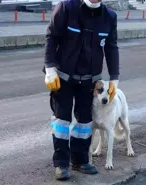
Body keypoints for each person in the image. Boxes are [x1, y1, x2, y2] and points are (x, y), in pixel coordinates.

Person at [43, 0, 119, 180]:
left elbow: (111, 47)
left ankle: (80, 160)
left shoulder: (109, 17)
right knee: (62, 121)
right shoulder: (66, 8)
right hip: (63, 78)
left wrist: (114, 78)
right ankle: (61, 163)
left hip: (89, 80)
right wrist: (50, 68)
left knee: (84, 122)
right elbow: (51, 37)